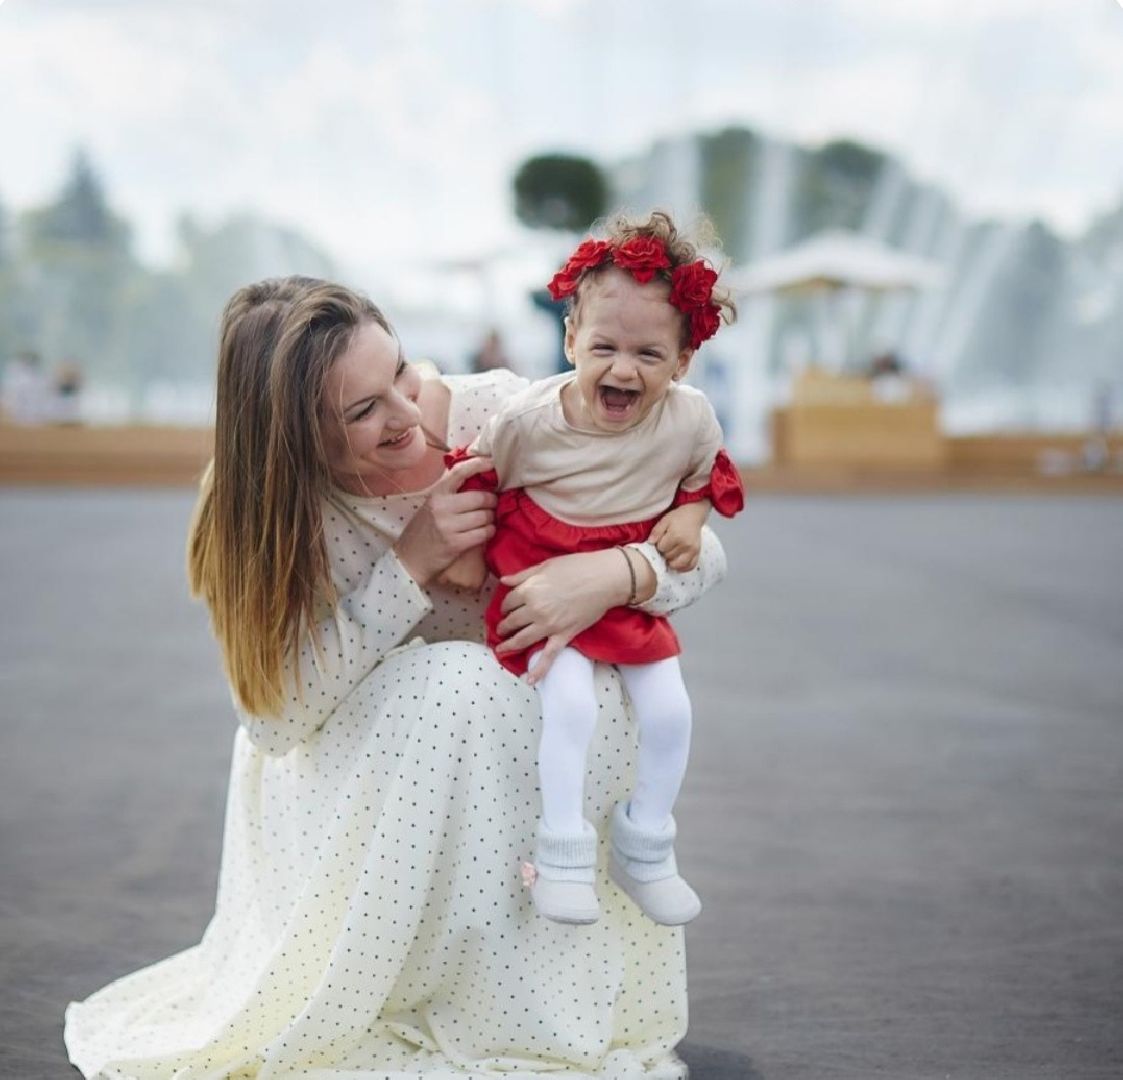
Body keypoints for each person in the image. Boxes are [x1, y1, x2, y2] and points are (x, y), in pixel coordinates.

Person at [63, 275, 728, 1079]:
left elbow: (705, 554)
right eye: (362, 410)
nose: (408, 416)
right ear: (291, 437)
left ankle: (513, 994)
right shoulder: (267, 511)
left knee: (497, 688)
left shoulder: (510, 418)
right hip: (360, 775)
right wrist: (407, 564)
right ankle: (396, 984)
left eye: (401, 374)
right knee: (452, 681)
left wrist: (612, 575)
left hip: (526, 735)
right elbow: (274, 721)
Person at [441, 213, 743, 928]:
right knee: (569, 707)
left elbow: (704, 479)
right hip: (543, 575)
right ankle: (562, 857)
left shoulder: (690, 419)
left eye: (649, 353)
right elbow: (476, 477)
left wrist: (689, 518)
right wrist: (461, 558)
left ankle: (645, 848)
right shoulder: (528, 420)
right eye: (603, 345)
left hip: (623, 584)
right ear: (570, 337)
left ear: (681, 362)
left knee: (671, 713)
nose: (622, 369)